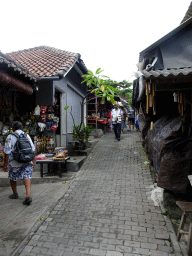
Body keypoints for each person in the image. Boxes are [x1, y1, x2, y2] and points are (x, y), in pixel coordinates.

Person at [4, 121, 35, 205]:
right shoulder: (26, 135)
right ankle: (28, 196)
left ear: (14, 127)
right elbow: (33, 149)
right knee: (27, 176)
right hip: (27, 160)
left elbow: (7, 152)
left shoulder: (10, 136)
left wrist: (5, 164)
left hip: (15, 162)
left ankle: (15, 194)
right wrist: (32, 160)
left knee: (12, 177)